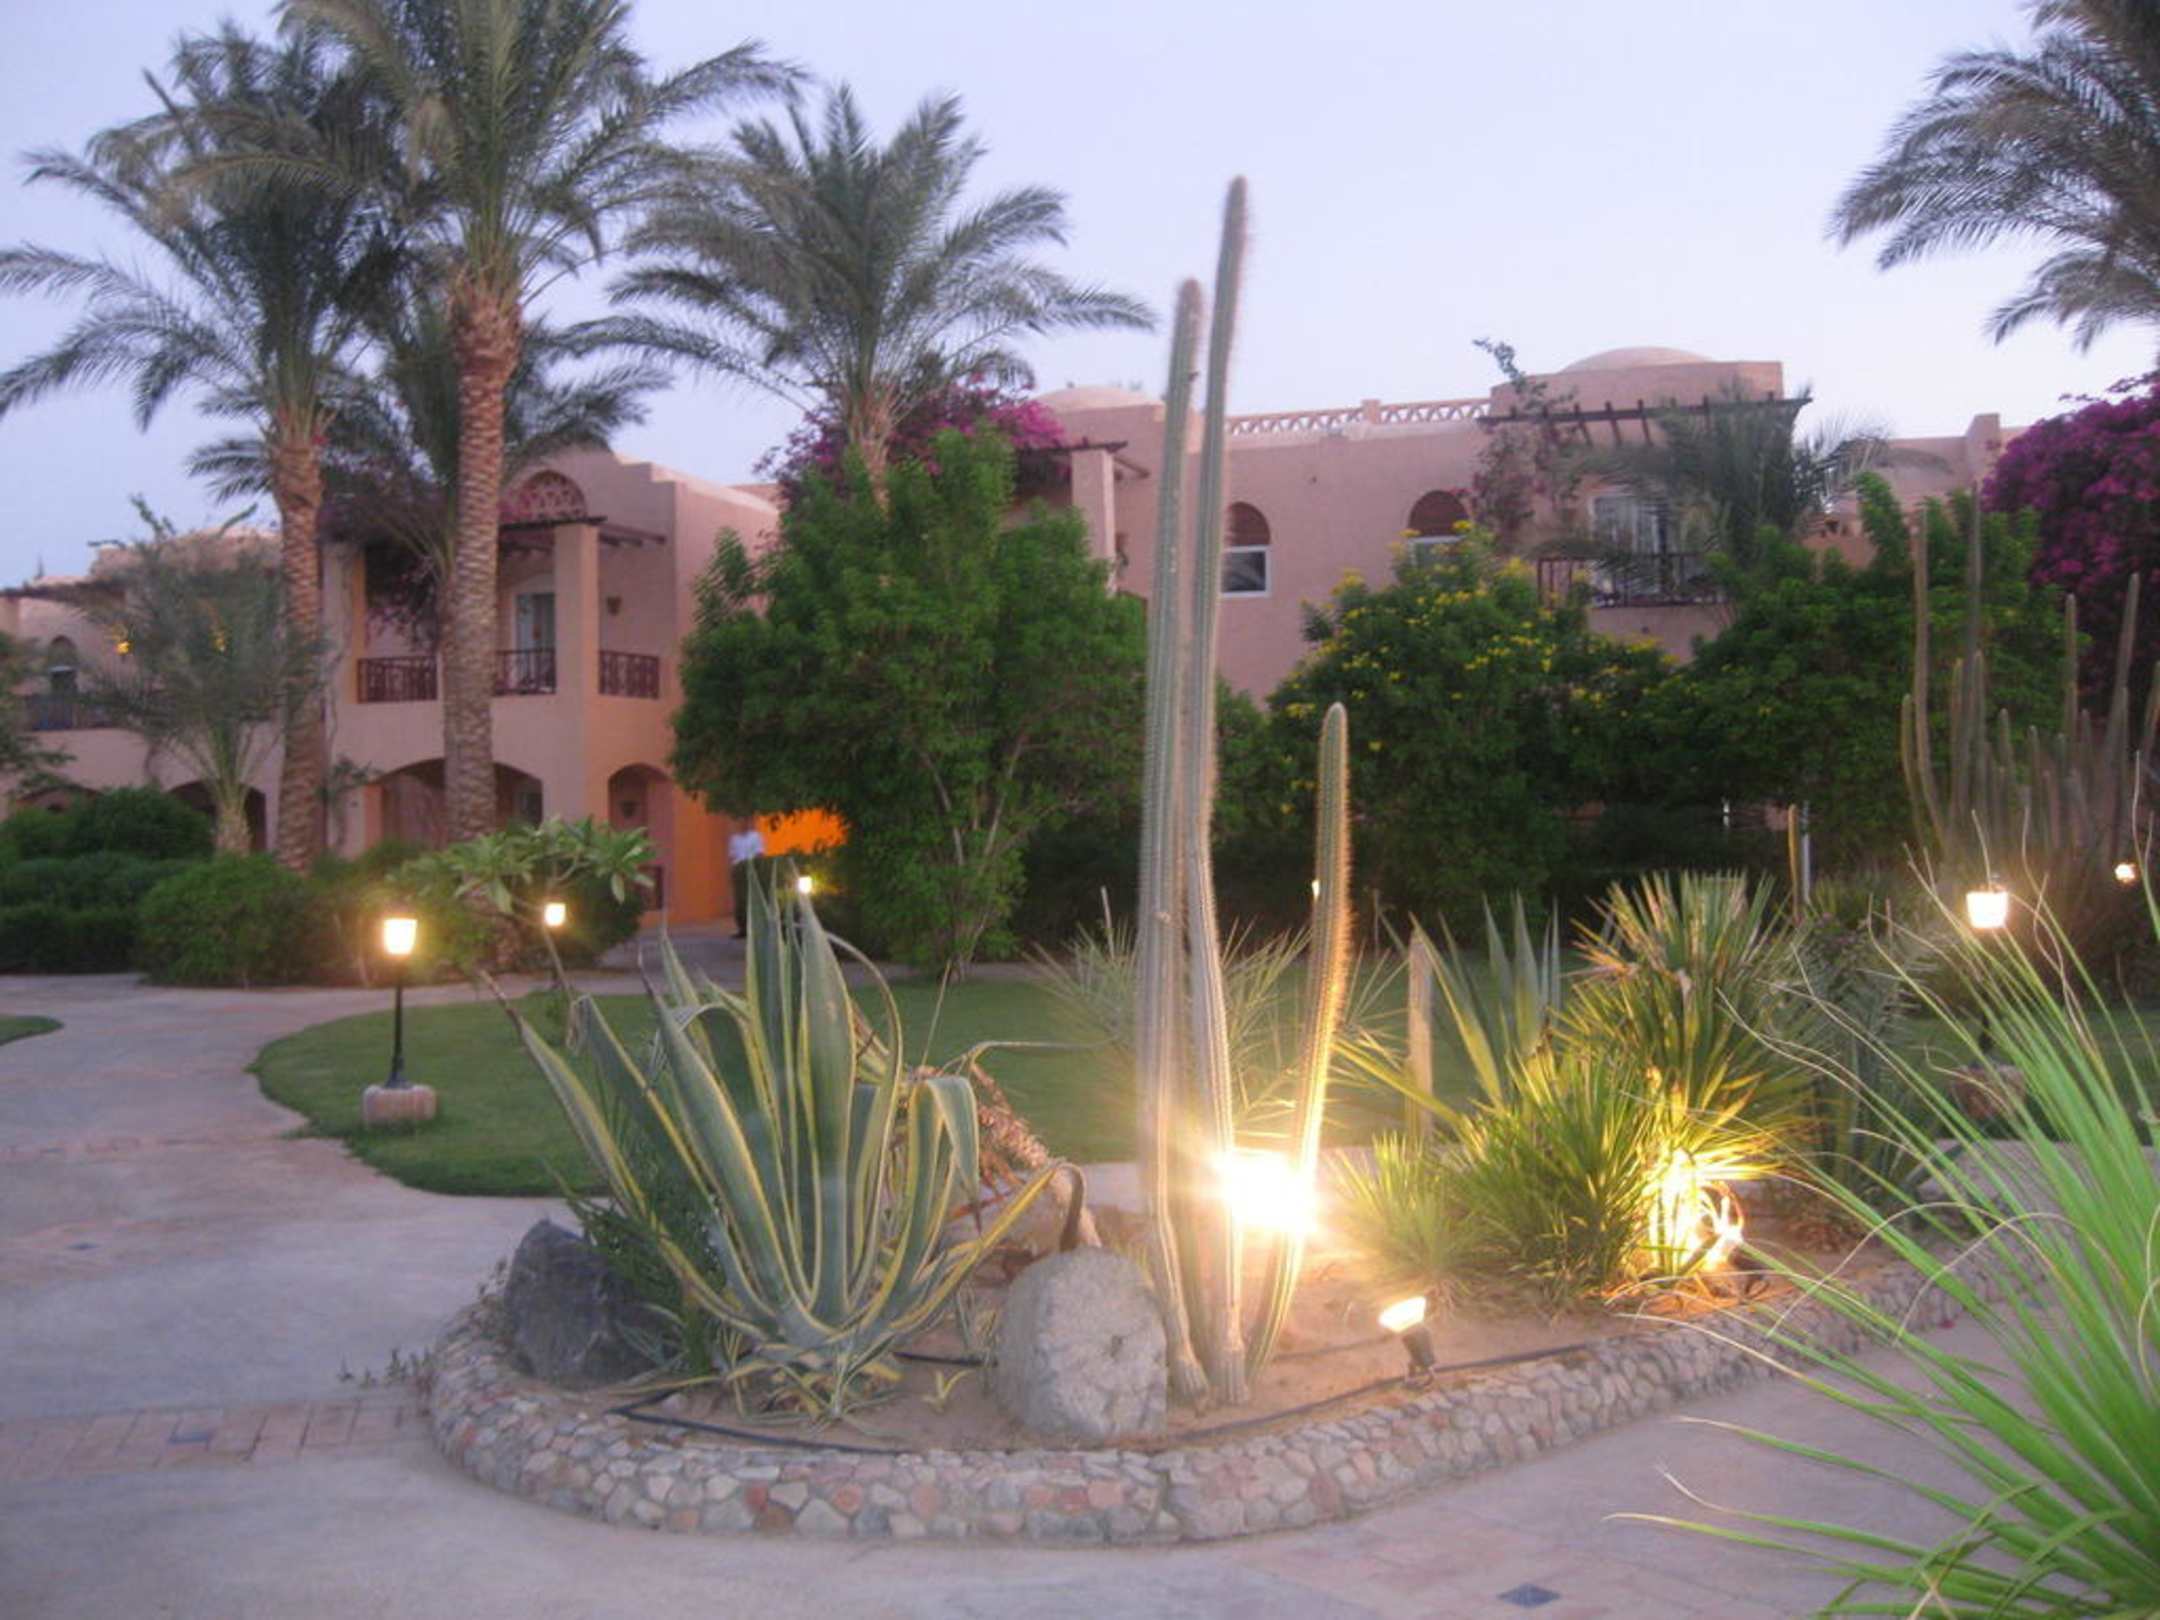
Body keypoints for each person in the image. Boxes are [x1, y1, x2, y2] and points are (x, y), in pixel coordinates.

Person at [727, 820, 766, 939]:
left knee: (753, 898)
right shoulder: (734, 839)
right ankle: (742, 928)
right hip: (739, 869)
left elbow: (760, 854)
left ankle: (756, 927)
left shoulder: (755, 836)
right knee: (740, 900)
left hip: (752, 868)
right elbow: (732, 856)